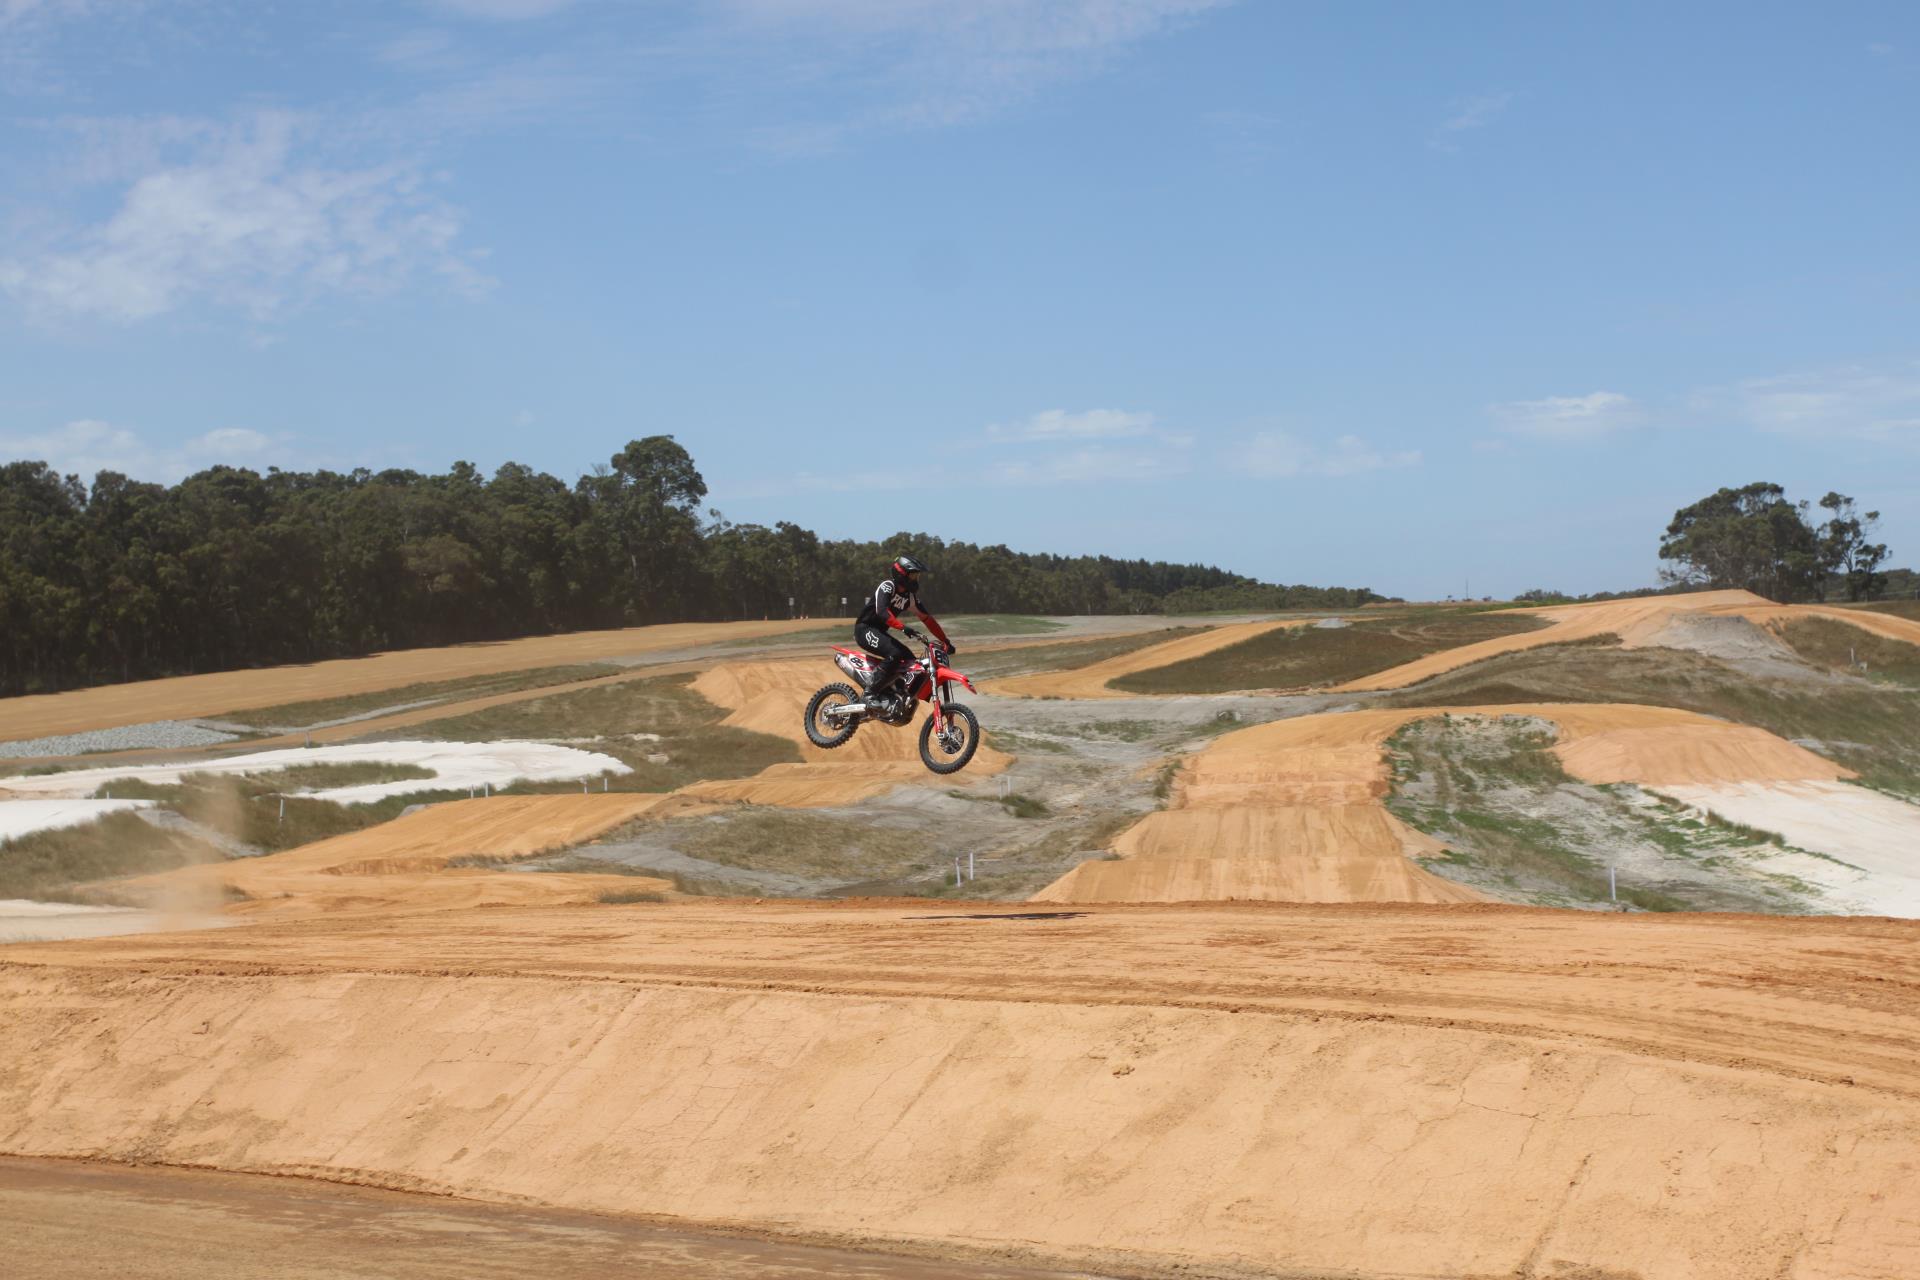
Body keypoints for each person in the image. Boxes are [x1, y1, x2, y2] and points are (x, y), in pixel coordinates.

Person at [854, 553, 953, 712]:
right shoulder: (887, 587)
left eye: (917, 576)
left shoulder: (910, 598)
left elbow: (927, 619)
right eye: (913, 575)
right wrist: (903, 627)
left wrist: (945, 641)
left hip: (879, 632)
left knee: (909, 659)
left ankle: (893, 693)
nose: (916, 580)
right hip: (865, 629)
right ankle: (869, 693)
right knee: (895, 653)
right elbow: (882, 612)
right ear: (902, 574)